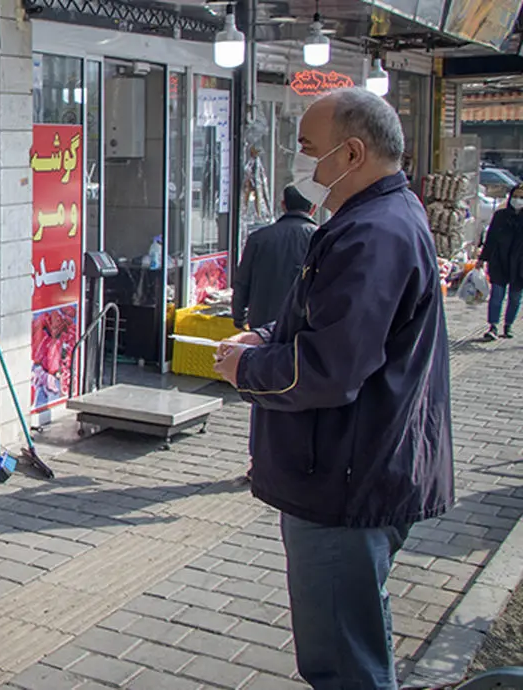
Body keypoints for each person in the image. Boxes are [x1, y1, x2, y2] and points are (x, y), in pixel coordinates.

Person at [213, 88, 453, 690]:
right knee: (354, 641)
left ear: (350, 153)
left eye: (307, 150)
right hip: (358, 470)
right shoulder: (376, 220)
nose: (301, 164)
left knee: (343, 664)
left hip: (348, 481)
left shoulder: (373, 235)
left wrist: (247, 370)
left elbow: (328, 367)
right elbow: (321, 321)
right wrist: (265, 336)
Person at [232, 185, 316, 331]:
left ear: (283, 205)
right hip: (302, 326)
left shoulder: (258, 238)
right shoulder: (320, 239)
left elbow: (242, 282)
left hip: (261, 324)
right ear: (314, 208)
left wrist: (239, 317)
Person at [477, 184, 523, 340]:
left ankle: (508, 325)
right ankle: (493, 326)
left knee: (515, 297)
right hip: (499, 261)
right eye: (516, 196)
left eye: (521, 197)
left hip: (519, 265)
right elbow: (490, 239)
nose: (518, 200)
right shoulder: (500, 216)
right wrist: (482, 258)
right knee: (497, 295)